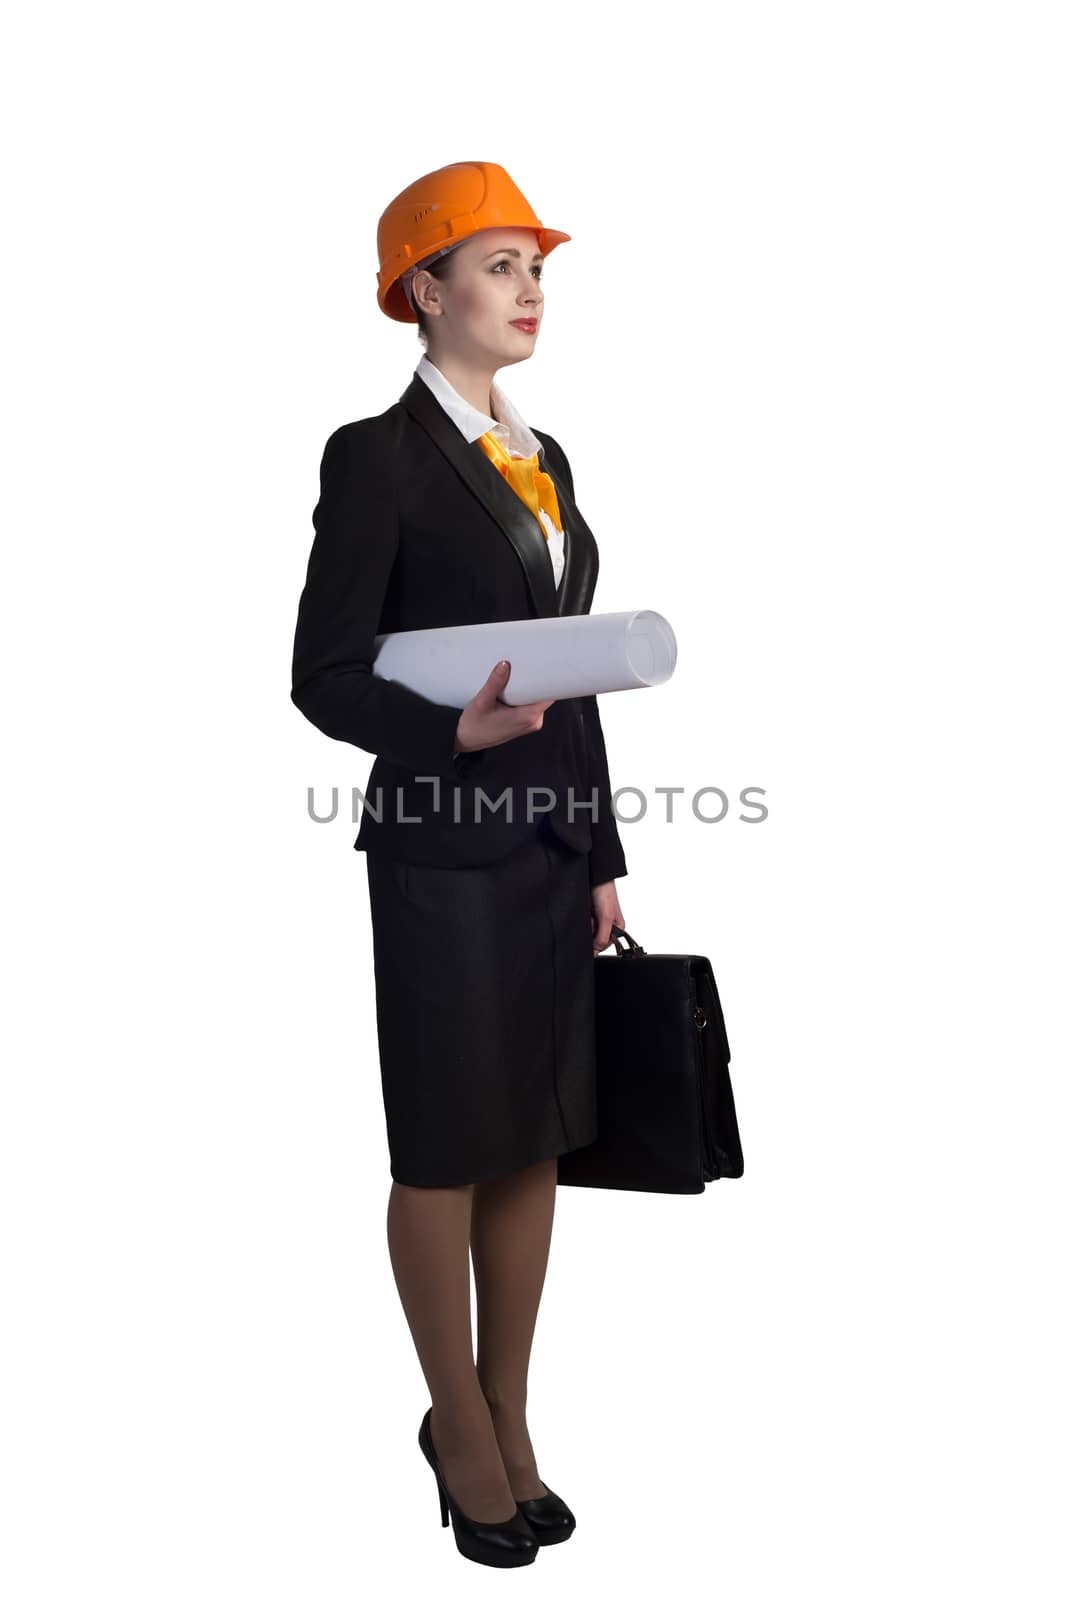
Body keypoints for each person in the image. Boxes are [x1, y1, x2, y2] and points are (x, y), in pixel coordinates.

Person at [290, 161, 629, 1567]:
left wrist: (604, 852)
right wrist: (455, 727)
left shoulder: (547, 462)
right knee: (446, 1143)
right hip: (438, 849)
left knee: (534, 1134)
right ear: (425, 292)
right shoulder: (375, 458)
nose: (530, 288)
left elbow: (577, 675)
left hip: (551, 851)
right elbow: (323, 673)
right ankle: (457, 1424)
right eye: (497, 265)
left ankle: (507, 1410)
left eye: (536, 265)